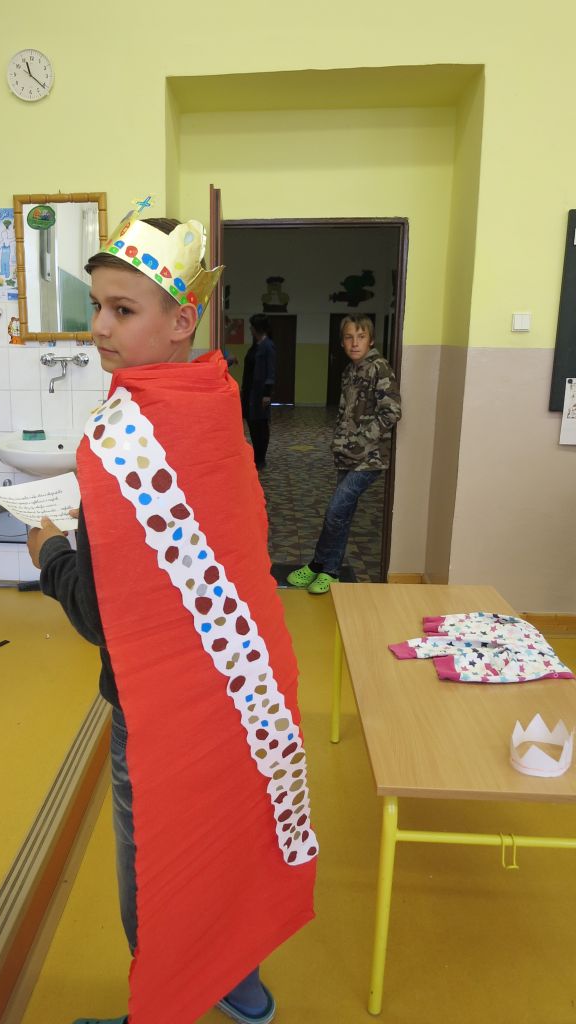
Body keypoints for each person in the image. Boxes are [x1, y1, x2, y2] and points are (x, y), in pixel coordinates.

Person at [27, 201, 316, 1024]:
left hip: (161, 704)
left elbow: (105, 617)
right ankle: (241, 988)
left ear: (182, 319)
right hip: (246, 686)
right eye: (97, 307)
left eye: (123, 310)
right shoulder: (213, 395)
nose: (100, 328)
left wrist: (50, 551)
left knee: (158, 865)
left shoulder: (123, 438)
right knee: (232, 841)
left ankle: (168, 1002)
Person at [287, 315, 402, 595]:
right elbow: (344, 413)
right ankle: (331, 571)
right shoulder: (350, 371)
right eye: (349, 337)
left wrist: (361, 442)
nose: (354, 343)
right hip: (346, 455)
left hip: (370, 459)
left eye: (361, 337)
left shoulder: (379, 368)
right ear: (342, 342)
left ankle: (320, 565)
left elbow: (392, 411)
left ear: (371, 340)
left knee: (335, 511)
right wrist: (339, 443)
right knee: (343, 515)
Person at [240, 313, 275, 470]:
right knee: (253, 424)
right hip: (250, 392)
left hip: (260, 394)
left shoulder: (268, 346)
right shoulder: (256, 345)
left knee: (261, 425)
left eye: (252, 327)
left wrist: (267, 393)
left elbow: (271, 372)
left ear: (257, 328)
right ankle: (257, 456)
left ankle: (261, 459)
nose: (250, 329)